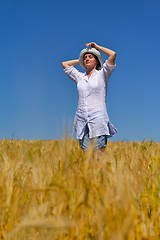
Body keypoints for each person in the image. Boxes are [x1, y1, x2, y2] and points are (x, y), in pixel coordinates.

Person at [62, 42, 117, 151]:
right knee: (86, 156)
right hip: (82, 119)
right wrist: (81, 60)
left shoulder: (102, 74)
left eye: (90, 57)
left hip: (98, 118)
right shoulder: (80, 77)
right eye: (85, 58)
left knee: (99, 154)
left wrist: (96, 48)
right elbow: (64, 64)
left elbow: (113, 54)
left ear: (97, 61)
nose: (87, 59)